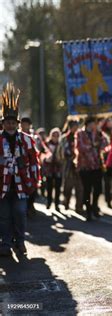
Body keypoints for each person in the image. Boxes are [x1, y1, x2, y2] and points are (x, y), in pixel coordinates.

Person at [0, 83, 40, 256]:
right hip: (2, 187)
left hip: (22, 185)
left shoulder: (27, 140)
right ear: (3, 124)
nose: (10, 125)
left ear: (17, 124)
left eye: (12, 122)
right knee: (4, 218)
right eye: (7, 122)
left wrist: (34, 182)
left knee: (20, 213)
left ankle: (20, 242)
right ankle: (6, 244)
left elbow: (34, 163)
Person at [75, 116, 109, 221]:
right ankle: (88, 211)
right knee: (87, 189)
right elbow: (80, 147)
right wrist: (92, 146)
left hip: (97, 165)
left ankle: (95, 207)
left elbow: (106, 145)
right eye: (94, 123)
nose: (95, 125)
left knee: (98, 188)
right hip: (84, 166)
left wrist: (101, 138)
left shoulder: (98, 133)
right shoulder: (80, 133)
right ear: (88, 123)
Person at [60, 120, 83, 212]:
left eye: (77, 126)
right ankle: (66, 202)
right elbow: (61, 152)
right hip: (68, 166)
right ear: (70, 127)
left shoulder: (81, 136)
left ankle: (79, 207)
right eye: (74, 126)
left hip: (80, 165)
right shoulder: (64, 138)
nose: (76, 128)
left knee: (80, 188)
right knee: (67, 187)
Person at [42, 128, 63, 212]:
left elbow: (63, 155)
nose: (55, 137)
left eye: (57, 135)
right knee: (49, 186)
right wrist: (46, 159)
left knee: (58, 187)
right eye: (54, 135)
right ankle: (49, 202)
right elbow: (42, 155)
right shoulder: (46, 144)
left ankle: (57, 204)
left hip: (58, 168)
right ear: (51, 135)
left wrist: (60, 159)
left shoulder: (61, 144)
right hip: (49, 169)